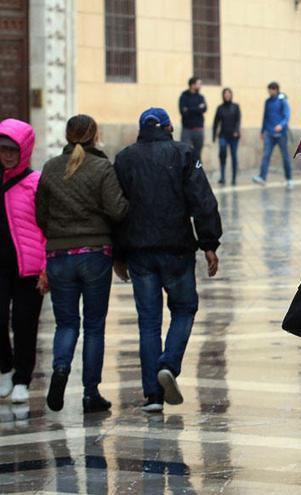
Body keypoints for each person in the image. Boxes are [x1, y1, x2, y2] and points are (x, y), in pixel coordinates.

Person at [113, 108, 223, 413]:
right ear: (168, 127)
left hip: (138, 252)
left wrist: (118, 253)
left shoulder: (124, 159)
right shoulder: (184, 153)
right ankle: (169, 364)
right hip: (176, 248)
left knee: (148, 323)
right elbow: (202, 200)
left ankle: (153, 396)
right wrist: (209, 243)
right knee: (184, 309)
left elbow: (115, 209)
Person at [35, 114, 129, 413]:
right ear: (94, 135)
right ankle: (91, 393)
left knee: (66, 323)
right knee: (94, 325)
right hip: (94, 254)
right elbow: (117, 210)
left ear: (66, 136)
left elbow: (41, 214)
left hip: (59, 256)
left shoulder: (50, 167)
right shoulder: (102, 167)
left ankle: (61, 370)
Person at [0, 119, 48, 404]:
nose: (8, 155)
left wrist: (46, 267)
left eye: (13, 149)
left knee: (25, 325)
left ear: (24, 149)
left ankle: (22, 379)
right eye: (2, 149)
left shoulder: (36, 183)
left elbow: (48, 227)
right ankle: (6, 366)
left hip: (28, 268)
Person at [252, 82, 293, 189]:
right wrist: (262, 131)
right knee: (266, 155)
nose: (269, 92)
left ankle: (289, 179)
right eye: (268, 90)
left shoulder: (282, 100)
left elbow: (287, 116)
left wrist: (281, 125)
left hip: (281, 134)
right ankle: (262, 177)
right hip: (269, 133)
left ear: (276, 90)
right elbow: (265, 117)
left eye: (271, 90)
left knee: (285, 157)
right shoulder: (267, 102)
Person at [212, 88, 241, 186]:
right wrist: (213, 135)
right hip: (223, 135)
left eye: (229, 93)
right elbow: (216, 122)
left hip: (234, 136)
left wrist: (237, 131)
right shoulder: (220, 108)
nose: (227, 95)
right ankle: (222, 177)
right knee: (222, 154)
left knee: (234, 156)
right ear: (223, 95)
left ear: (231, 95)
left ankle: (233, 178)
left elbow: (238, 120)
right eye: (225, 94)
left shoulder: (236, 107)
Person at [179, 77, 207, 165]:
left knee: (198, 154)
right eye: (199, 84)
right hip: (187, 130)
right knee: (185, 153)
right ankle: (186, 175)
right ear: (193, 85)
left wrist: (189, 109)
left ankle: (198, 174)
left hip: (199, 129)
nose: (200, 86)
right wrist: (197, 108)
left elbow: (204, 108)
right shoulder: (183, 96)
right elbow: (183, 111)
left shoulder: (201, 97)